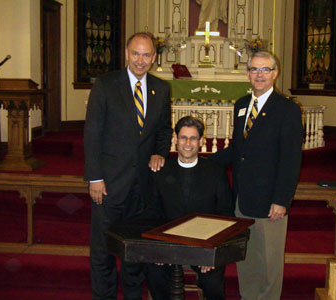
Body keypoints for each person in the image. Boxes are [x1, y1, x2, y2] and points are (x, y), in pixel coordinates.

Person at [84, 32, 172, 300]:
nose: (140, 60)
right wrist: (95, 177)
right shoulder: (106, 84)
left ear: (154, 58)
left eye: (147, 55)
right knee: (103, 251)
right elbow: (93, 133)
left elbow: (164, 131)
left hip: (142, 187)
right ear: (126, 53)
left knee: (134, 252)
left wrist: (160, 153)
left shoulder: (161, 88)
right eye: (136, 53)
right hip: (109, 184)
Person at [211, 51, 303, 300]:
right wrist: (202, 161)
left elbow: (291, 160)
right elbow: (237, 149)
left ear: (275, 73)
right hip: (242, 198)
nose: (259, 75)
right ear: (247, 73)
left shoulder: (287, 110)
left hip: (269, 201)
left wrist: (282, 200)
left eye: (265, 70)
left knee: (269, 264)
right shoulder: (242, 105)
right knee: (247, 258)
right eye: (254, 69)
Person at [144, 116, 233, 300]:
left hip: (205, 245)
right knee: (154, 273)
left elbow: (226, 214)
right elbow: (152, 214)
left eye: (193, 138)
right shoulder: (160, 171)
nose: (187, 143)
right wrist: (158, 248)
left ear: (201, 141)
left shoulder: (216, 171)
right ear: (175, 140)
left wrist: (212, 251)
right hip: (167, 244)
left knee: (213, 284)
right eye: (183, 137)